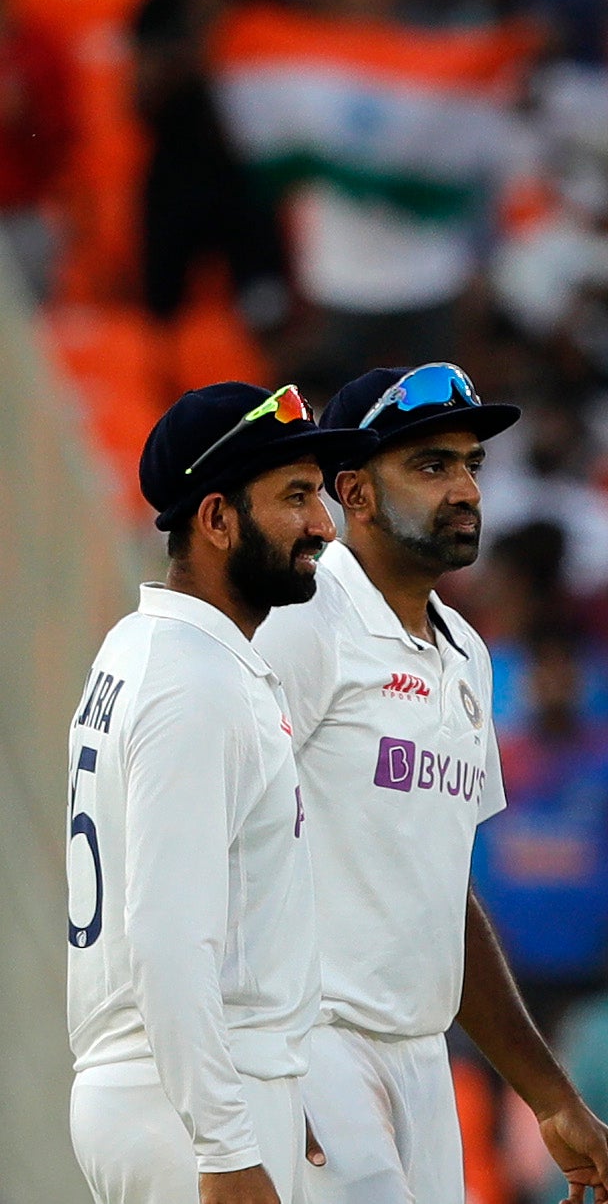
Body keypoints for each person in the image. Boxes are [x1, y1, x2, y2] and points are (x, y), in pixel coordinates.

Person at [251, 364, 608, 1204]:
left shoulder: (468, 650)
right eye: (431, 466)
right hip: (311, 1044)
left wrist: (549, 1093)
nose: (465, 487)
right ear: (352, 492)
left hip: (422, 1059)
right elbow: (214, 841)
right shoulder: (303, 621)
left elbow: (442, 896)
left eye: (471, 465)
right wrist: (245, 1079)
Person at [67, 383, 373, 1203]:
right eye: (296, 497)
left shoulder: (141, 649)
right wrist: (227, 1139)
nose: (324, 524)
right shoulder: (194, 682)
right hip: (187, 1104)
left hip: (174, 1086)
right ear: (215, 518)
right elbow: (167, 934)